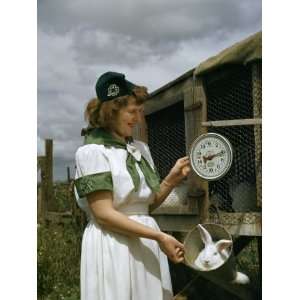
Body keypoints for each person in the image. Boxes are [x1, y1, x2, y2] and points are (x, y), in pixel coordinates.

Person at [74, 71, 191, 300]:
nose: (137, 118)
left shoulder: (140, 149)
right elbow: (104, 214)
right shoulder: (93, 152)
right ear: (111, 112)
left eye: (140, 112)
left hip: (145, 243)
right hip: (113, 244)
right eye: (132, 112)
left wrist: (170, 180)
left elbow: (146, 207)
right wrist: (158, 237)